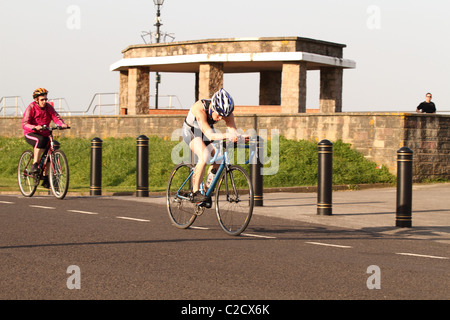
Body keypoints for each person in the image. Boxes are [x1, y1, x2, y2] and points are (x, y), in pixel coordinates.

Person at [182, 88, 243, 202]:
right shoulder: (199, 108)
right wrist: (227, 136)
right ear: (213, 108)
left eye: (224, 115)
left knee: (218, 160)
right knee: (204, 156)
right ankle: (195, 193)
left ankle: (205, 191)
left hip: (205, 133)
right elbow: (210, 135)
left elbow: (233, 130)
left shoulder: (226, 113)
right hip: (191, 131)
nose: (221, 118)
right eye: (219, 115)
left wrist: (239, 138)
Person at [22, 88, 69, 188]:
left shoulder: (49, 107)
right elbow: (25, 123)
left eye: (45, 99)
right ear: (36, 100)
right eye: (42, 100)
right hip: (31, 133)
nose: (44, 101)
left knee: (50, 152)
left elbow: (56, 117)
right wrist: (34, 127)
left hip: (44, 133)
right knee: (40, 140)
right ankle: (35, 164)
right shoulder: (31, 107)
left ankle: (45, 176)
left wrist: (62, 124)